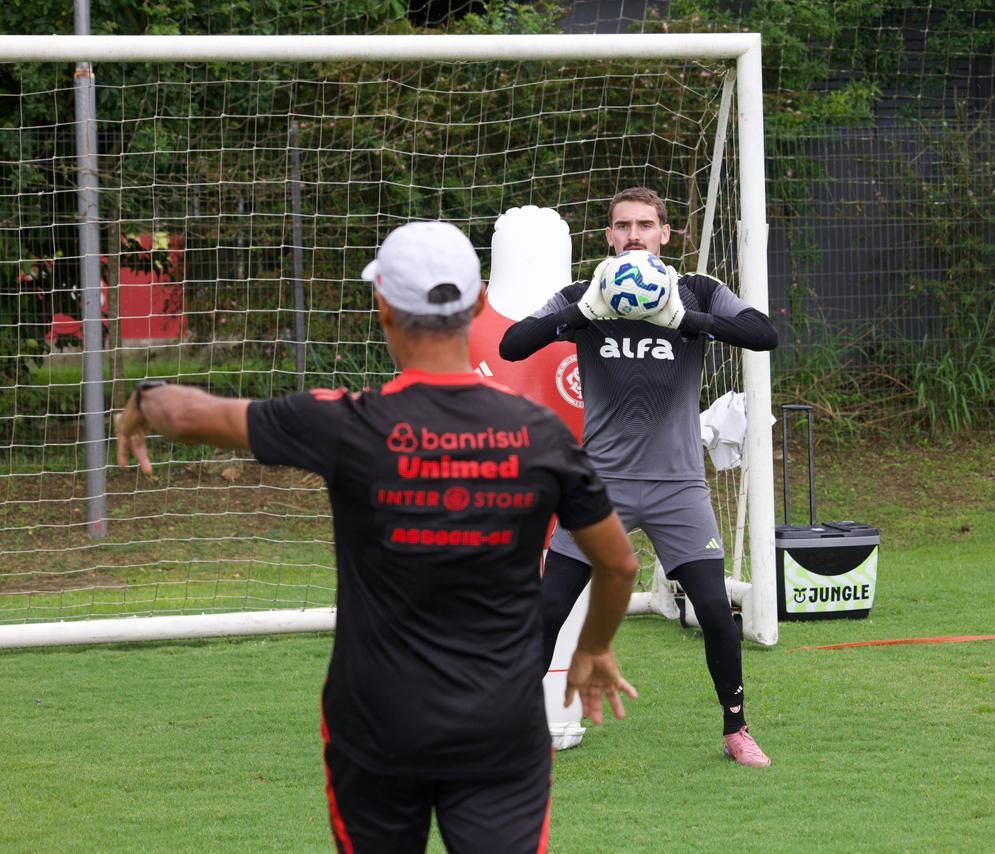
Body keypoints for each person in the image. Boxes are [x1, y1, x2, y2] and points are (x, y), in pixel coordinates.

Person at [115, 221, 639, 853]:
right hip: (499, 724)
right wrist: (592, 649)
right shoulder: (543, 435)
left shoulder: (343, 422)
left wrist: (145, 398)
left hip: (376, 724)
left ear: (382, 305)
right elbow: (618, 565)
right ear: (477, 303)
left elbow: (195, 416)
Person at [499, 187, 779, 768]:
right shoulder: (586, 295)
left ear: (665, 234)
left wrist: (686, 320)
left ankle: (736, 730)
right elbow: (510, 345)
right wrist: (582, 316)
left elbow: (763, 332)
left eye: (645, 225)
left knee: (715, 614)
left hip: (680, 489)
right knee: (547, 611)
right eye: (622, 225)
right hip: (599, 489)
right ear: (607, 237)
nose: (634, 234)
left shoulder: (696, 290)